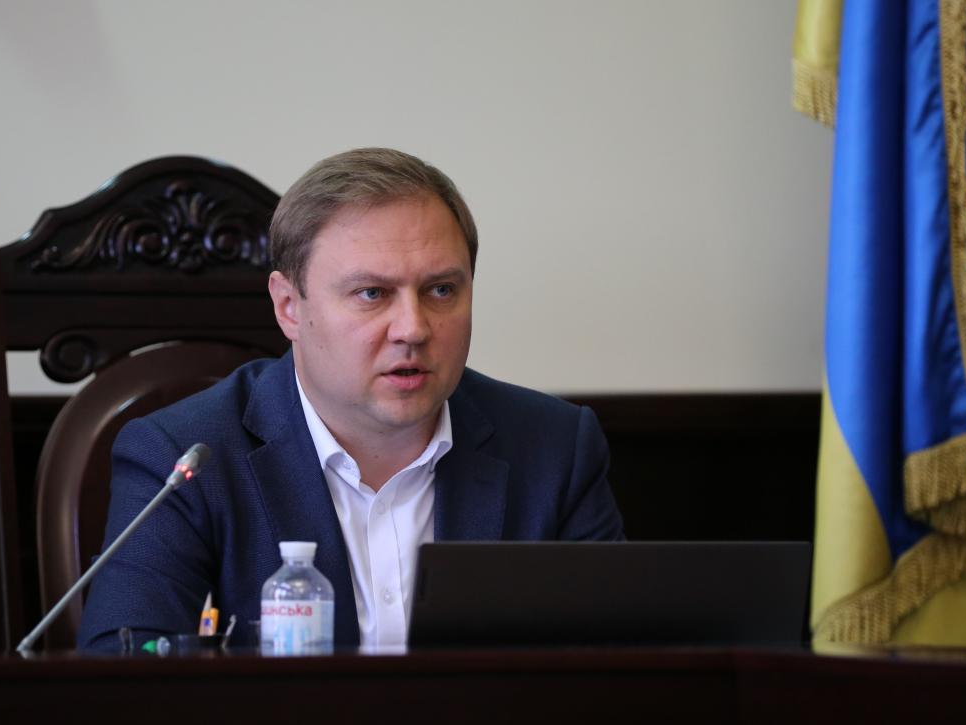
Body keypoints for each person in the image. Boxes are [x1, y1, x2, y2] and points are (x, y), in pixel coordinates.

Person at [77, 148, 624, 651]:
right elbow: (124, 678)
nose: (413, 328)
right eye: (372, 294)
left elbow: (614, 672)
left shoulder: (554, 449)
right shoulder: (184, 458)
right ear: (289, 307)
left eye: (441, 290)